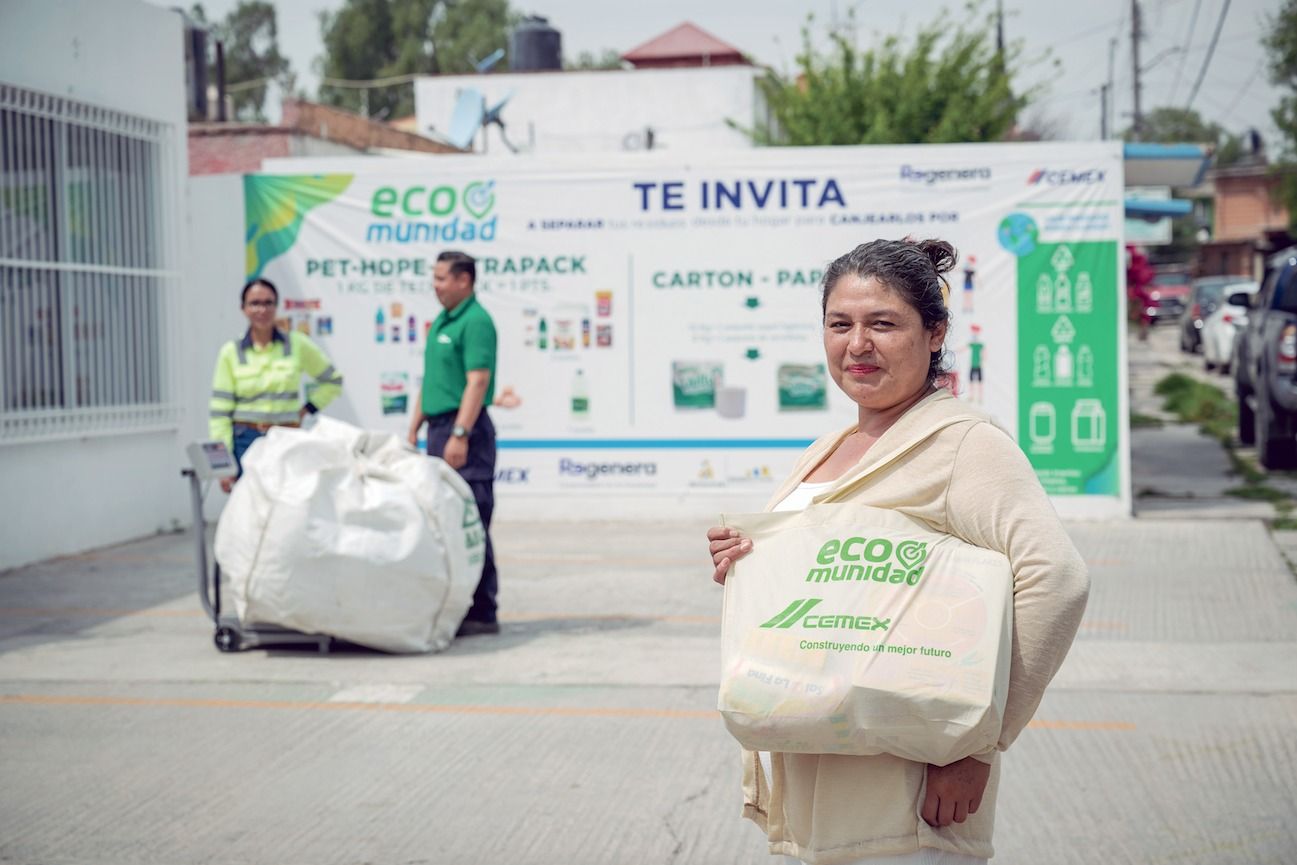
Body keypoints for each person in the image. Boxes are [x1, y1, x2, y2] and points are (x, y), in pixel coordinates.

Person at [706, 238, 1089, 864]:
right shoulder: (831, 446)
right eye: (841, 324)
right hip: (820, 788)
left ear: (934, 333)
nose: (858, 344)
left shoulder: (961, 442)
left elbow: (1057, 579)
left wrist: (976, 746)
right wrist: (751, 563)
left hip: (902, 807)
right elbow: (839, 579)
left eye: (883, 323)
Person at [408, 250, 500, 637]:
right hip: (439, 428)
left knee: (471, 522)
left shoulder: (476, 321)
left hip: (467, 431)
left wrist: (461, 434)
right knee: (445, 522)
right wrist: (414, 428)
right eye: (435, 277)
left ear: (465, 280)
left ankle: (482, 610)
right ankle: (457, 605)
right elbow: (431, 381)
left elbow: (477, 381)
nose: (436, 285)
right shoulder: (442, 321)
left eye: (442, 278)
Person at [209, 278, 343, 493]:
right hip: (246, 442)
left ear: (276, 306)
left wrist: (306, 410)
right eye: (254, 303)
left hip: (287, 440)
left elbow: (333, 381)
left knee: (288, 510)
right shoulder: (230, 353)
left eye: (268, 303)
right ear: (243, 309)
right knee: (250, 510)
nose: (262, 309)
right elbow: (220, 413)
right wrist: (224, 461)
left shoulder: (297, 344)